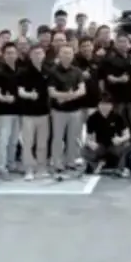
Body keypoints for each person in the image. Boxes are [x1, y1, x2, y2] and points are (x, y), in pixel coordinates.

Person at [48, 46, 88, 176]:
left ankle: (71, 162)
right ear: (59, 55)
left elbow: (82, 90)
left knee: (73, 138)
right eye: (64, 53)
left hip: (75, 111)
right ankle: (57, 163)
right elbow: (52, 92)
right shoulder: (53, 71)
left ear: (73, 55)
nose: (67, 55)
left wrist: (66, 97)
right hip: (58, 111)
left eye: (69, 53)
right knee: (58, 138)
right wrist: (67, 95)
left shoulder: (77, 71)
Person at [17, 45, 52, 180]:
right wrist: (29, 95)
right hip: (28, 114)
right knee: (28, 143)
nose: (38, 56)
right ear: (30, 55)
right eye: (35, 53)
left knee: (42, 143)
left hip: (44, 113)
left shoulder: (48, 71)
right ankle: (29, 169)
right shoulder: (23, 72)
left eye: (40, 53)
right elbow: (20, 91)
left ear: (44, 55)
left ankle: (41, 168)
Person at [0, 44, 21, 175]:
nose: (11, 55)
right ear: (3, 55)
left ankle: (11, 163)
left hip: (18, 110)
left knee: (14, 140)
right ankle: (0, 165)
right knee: (4, 139)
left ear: (17, 54)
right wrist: (5, 99)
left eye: (13, 52)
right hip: (4, 111)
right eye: (8, 53)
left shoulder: (19, 70)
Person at [83, 96, 131, 175]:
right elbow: (88, 137)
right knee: (84, 150)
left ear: (111, 105)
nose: (104, 106)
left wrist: (120, 139)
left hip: (115, 145)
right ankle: (96, 166)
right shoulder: (92, 118)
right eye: (102, 104)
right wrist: (90, 143)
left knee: (127, 145)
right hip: (100, 146)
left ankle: (120, 168)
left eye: (107, 104)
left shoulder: (118, 117)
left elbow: (128, 135)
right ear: (98, 105)